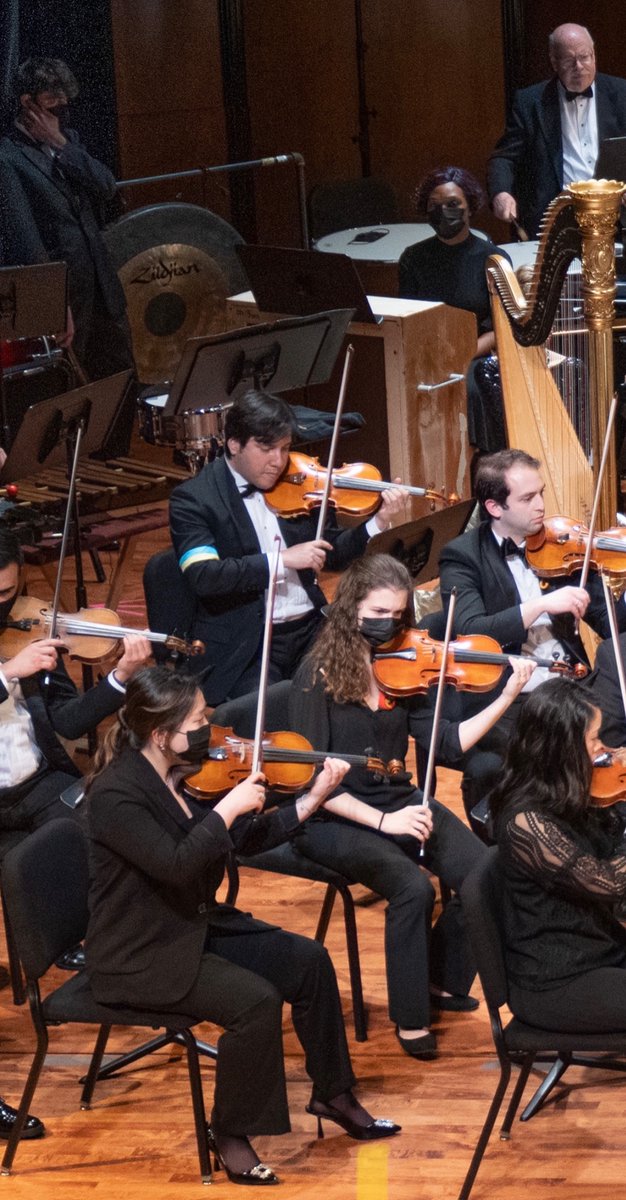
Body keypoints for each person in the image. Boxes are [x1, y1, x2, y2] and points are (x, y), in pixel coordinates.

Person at [85, 667, 399, 1186]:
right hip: (141, 949)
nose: (209, 729)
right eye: (197, 721)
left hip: (191, 922)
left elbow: (243, 839)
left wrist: (311, 798)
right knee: (255, 1002)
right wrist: (226, 810)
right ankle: (228, 1132)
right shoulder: (117, 795)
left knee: (308, 961)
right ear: (160, 735)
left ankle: (334, 1094)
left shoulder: (183, 771)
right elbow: (177, 863)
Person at [288, 554, 534, 1058]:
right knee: (411, 888)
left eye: (399, 616)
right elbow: (312, 782)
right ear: (350, 606)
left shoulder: (406, 665)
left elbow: (446, 744)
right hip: (333, 812)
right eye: (379, 612)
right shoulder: (314, 675)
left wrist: (506, 694)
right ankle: (409, 1018)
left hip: (398, 798)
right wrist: (385, 820)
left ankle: (439, 978)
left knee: (487, 870)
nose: (390, 625)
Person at [169, 389, 405, 706]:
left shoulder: (301, 481)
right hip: (248, 643)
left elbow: (332, 553)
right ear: (234, 443)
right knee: (273, 714)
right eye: (266, 449)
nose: (278, 462)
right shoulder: (194, 499)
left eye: (285, 448)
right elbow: (205, 576)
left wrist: (377, 522)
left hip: (311, 628)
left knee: (358, 698)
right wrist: (281, 561)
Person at [491, 677, 626, 1032]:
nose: (605, 750)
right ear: (561, 748)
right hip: (559, 977)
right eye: (595, 739)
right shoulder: (526, 822)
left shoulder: (568, 790)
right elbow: (609, 883)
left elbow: (610, 845)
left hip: (601, 946)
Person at [0, 526, 152, 836]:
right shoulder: (20, 661)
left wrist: (121, 676)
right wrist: (8, 673)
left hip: (36, 784)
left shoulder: (30, 625)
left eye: (5, 592)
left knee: (116, 830)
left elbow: (67, 722)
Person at [0, 58, 134, 384]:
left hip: (102, 291)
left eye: (65, 106)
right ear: (28, 104)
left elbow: (106, 186)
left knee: (123, 385)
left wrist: (59, 143)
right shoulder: (8, 158)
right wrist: (54, 306)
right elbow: (27, 241)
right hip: (67, 301)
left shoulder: (68, 141)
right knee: (71, 395)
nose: (61, 114)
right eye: (52, 107)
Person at [398, 166, 509, 455]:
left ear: (469, 207)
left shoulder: (492, 258)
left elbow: (501, 328)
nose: (443, 212)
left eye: (452, 204)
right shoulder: (414, 258)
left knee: (470, 390)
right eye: (434, 206)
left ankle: (476, 466)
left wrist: (463, 353)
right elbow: (408, 318)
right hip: (428, 353)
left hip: (476, 354)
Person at [488, 23, 626, 238]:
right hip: (556, 219)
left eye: (585, 57)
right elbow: (504, 157)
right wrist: (501, 193)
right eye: (569, 60)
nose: (579, 66)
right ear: (554, 62)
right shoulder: (530, 102)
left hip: (614, 216)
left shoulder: (621, 93)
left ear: (594, 55)